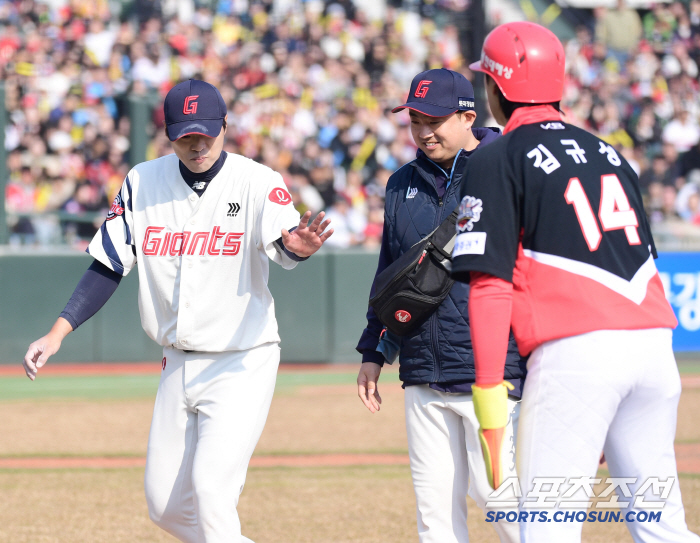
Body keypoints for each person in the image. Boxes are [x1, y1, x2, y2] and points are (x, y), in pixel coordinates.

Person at [22, 79, 333, 543]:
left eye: (206, 132)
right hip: (176, 361)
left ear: (224, 126)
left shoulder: (258, 181)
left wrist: (300, 249)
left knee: (211, 494)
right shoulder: (142, 181)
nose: (197, 143)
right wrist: (57, 333)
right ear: (169, 134)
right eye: (186, 134)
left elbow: (284, 249)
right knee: (165, 506)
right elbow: (108, 264)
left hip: (241, 359)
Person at [450, 22, 700, 543]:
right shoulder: (609, 152)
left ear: (496, 87)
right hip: (653, 350)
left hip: (576, 354)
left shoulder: (497, 155)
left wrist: (490, 393)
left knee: (545, 530)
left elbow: (491, 285)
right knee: (662, 527)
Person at [356, 68, 526, 543]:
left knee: (499, 498)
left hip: (490, 367)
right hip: (422, 366)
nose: (424, 132)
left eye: (435, 120)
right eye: (415, 120)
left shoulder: (507, 166)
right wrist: (374, 350)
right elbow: (390, 274)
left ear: (468, 115)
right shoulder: (400, 183)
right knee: (435, 514)